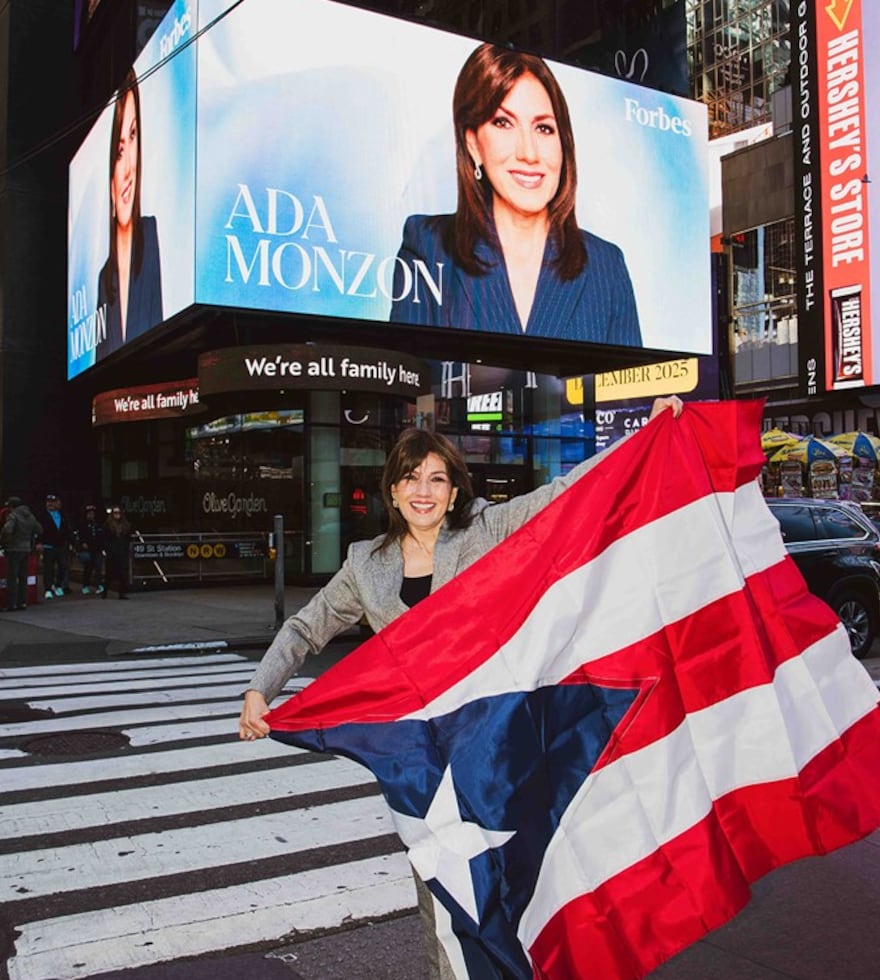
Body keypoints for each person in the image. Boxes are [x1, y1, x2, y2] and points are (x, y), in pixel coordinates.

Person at [238, 394, 682, 979]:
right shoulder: (365, 565)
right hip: (423, 761)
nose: (423, 491)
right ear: (392, 491)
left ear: (453, 494)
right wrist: (260, 688)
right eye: (410, 478)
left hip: (495, 745)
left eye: (436, 479)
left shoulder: (484, 529)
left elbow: (564, 493)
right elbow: (305, 627)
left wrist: (639, 437)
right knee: (442, 880)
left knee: (518, 875)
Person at [389, 42, 641, 346]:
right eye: (503, 123)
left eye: (543, 128)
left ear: (563, 143)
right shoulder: (428, 245)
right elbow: (405, 372)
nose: (529, 153)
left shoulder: (606, 265)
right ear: (473, 144)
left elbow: (631, 378)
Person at [97, 66, 162, 362]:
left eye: (133, 135)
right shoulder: (104, 280)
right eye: (119, 151)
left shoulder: (149, 235)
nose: (127, 170)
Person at [1, 496, 42, 611]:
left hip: (14, 549)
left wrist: (5, 541)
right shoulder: (30, 516)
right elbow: (39, 529)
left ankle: (11, 604)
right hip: (26, 549)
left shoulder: (13, 516)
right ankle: (22, 602)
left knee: (12, 577)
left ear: (12, 506)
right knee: (23, 577)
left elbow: (7, 530)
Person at [38, 494, 74, 598]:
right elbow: (38, 530)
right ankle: (48, 588)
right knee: (48, 568)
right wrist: (39, 542)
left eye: (52, 502)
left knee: (63, 566)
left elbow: (67, 529)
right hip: (48, 545)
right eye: (48, 502)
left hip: (61, 545)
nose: (50, 504)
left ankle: (58, 585)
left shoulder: (62, 515)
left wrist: (71, 542)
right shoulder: (42, 516)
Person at [103, 505, 133, 599]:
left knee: (123, 573)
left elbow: (128, 538)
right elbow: (105, 538)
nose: (117, 515)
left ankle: (122, 593)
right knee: (109, 573)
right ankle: (105, 591)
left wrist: (126, 547)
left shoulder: (126, 525)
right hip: (112, 552)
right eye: (115, 513)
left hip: (122, 551)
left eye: (119, 513)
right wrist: (108, 548)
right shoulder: (108, 525)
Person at [77, 503, 106, 595]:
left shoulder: (98, 525)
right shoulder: (82, 525)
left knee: (98, 568)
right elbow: (80, 537)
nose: (91, 515)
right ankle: (85, 585)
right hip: (88, 550)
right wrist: (82, 544)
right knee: (88, 568)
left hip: (97, 549)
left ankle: (99, 585)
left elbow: (102, 537)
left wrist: (102, 547)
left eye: (92, 514)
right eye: (89, 514)